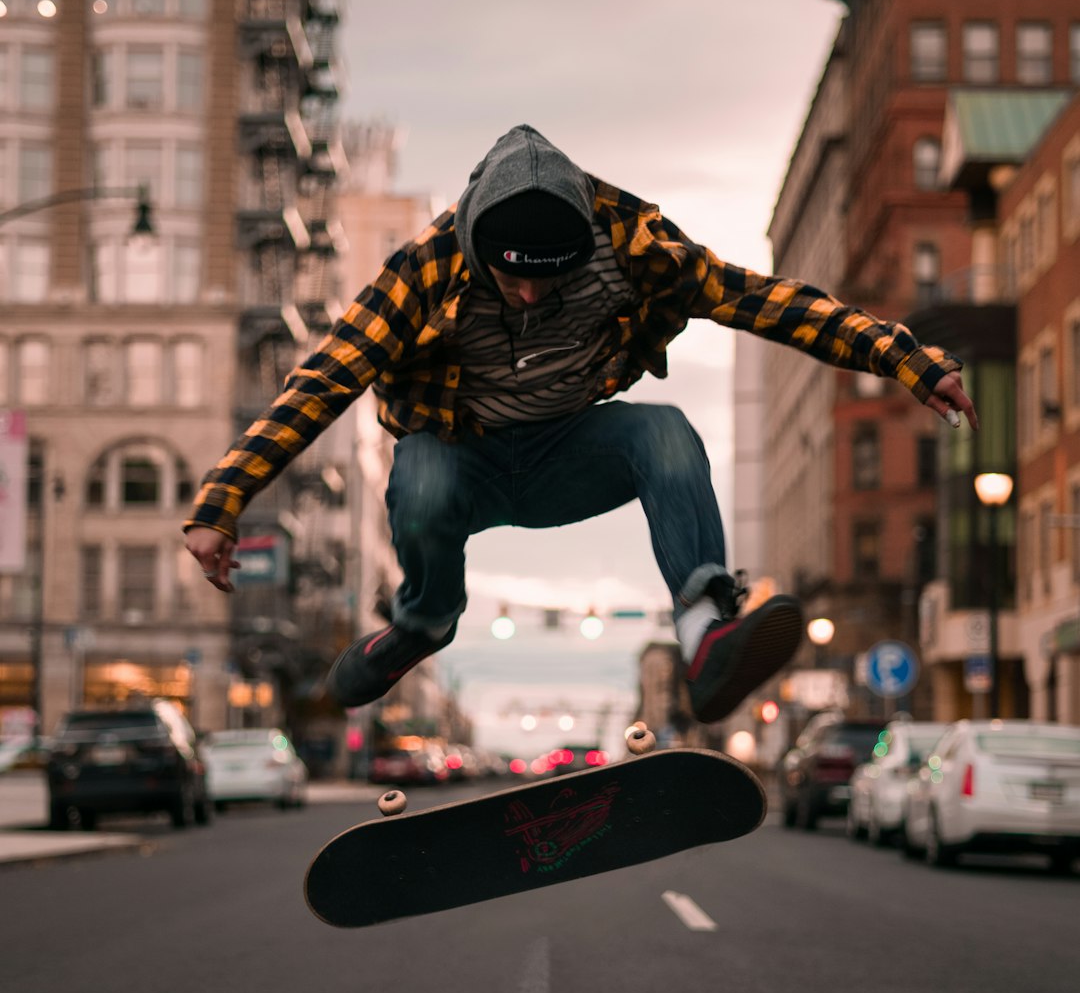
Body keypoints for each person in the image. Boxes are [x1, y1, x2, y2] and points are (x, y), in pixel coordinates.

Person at [184, 124, 976, 723]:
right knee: (419, 474)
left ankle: (705, 635)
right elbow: (324, 380)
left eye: (551, 282)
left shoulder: (638, 245)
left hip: (570, 452)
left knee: (664, 431)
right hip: (465, 460)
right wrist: (223, 502)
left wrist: (909, 359)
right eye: (509, 283)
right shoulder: (423, 269)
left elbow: (769, 301)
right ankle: (423, 621)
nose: (529, 299)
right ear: (472, 244)